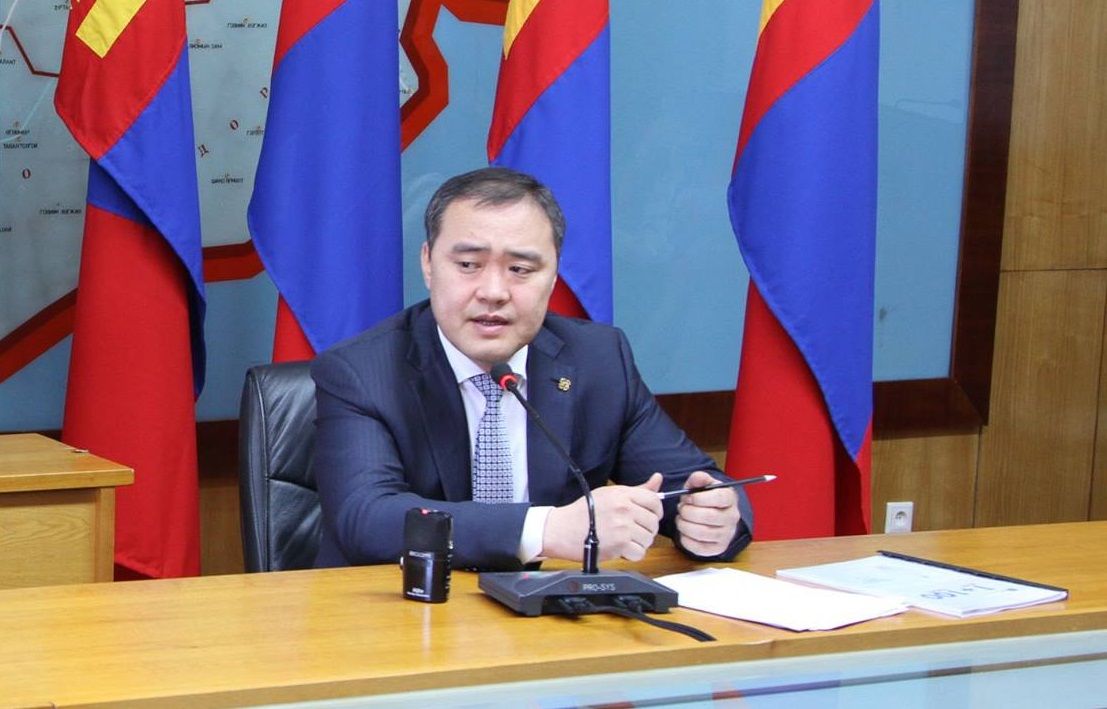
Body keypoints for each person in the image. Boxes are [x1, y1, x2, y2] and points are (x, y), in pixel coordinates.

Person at [311, 167, 752, 570]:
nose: (493, 291)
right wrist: (545, 530)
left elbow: (692, 483)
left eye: (520, 269)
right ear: (428, 263)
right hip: (405, 614)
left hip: (546, 616)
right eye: (468, 265)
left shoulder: (598, 359)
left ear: (554, 274)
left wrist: (711, 520)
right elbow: (367, 518)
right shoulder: (362, 371)